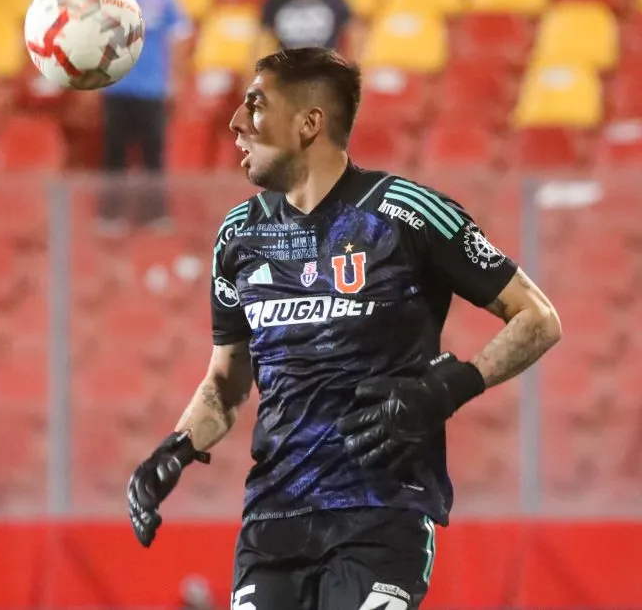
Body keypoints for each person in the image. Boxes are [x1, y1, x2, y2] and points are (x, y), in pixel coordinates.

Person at [126, 47, 562, 609]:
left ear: (310, 123)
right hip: (273, 521)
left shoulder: (407, 213)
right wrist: (176, 449)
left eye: (256, 106)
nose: (235, 122)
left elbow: (537, 318)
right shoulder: (237, 236)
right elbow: (227, 382)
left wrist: (448, 388)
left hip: (381, 514)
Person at [94, 0, 191, 231]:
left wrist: (175, 77)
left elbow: (179, 35)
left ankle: (155, 214)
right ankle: (111, 214)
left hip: (152, 87)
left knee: (153, 154)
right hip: (118, 84)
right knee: (115, 153)